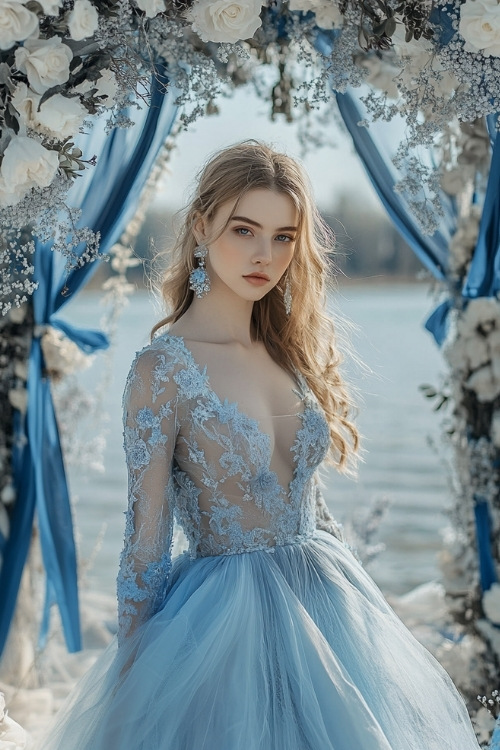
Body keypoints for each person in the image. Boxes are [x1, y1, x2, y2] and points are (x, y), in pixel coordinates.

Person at [39, 140, 481, 750]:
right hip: (224, 626)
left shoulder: (286, 352)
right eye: (244, 229)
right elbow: (146, 537)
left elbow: (315, 508)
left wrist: (366, 613)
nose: (264, 254)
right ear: (202, 226)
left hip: (328, 604)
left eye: (283, 236)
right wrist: (132, 680)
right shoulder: (163, 369)